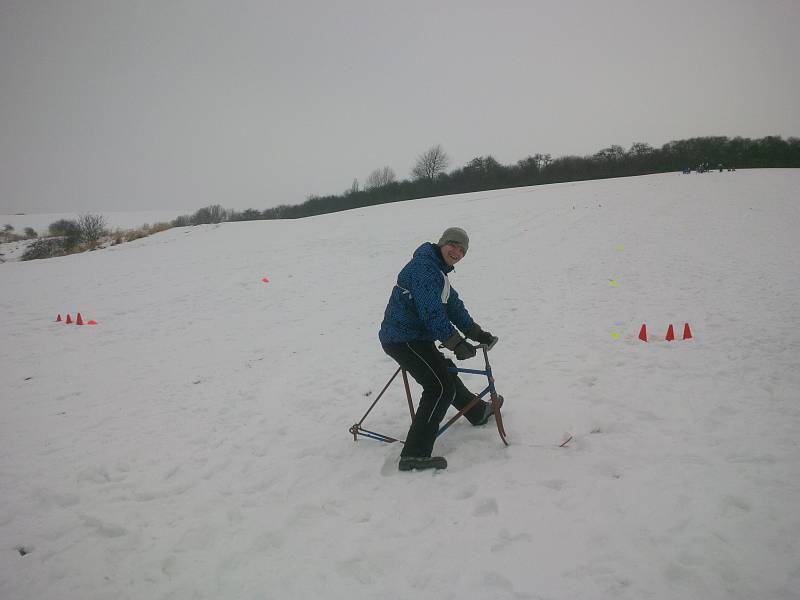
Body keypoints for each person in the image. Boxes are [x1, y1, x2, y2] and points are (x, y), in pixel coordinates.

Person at [378, 227, 502, 472]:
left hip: (416, 337)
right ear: (442, 243)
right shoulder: (423, 269)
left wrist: (476, 333)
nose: (456, 252)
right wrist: (456, 342)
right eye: (453, 245)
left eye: (462, 250)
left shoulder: (437, 271)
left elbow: (453, 306)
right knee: (439, 387)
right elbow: (431, 313)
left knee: (445, 371)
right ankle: (414, 454)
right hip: (402, 338)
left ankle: (477, 412)